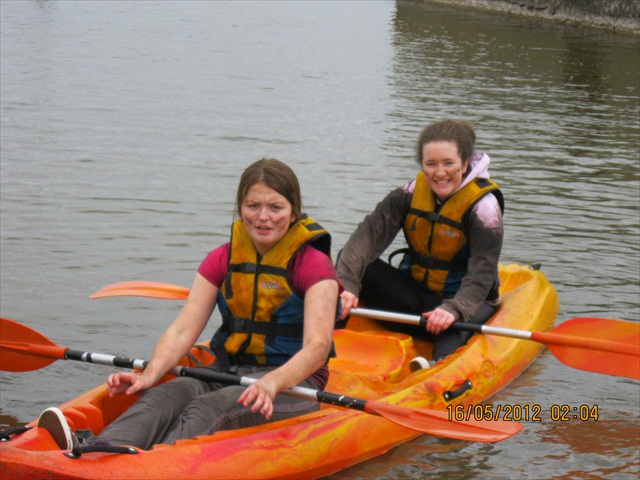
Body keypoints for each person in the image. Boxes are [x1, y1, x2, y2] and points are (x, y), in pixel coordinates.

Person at [38, 158, 342, 450]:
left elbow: (317, 347)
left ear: (293, 212)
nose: (263, 216)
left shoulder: (313, 265)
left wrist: (272, 383)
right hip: (228, 369)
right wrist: (150, 374)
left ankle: (147, 465)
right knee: (164, 396)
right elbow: (182, 330)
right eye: (253, 206)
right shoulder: (221, 258)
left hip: (294, 384)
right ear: (240, 208)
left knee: (208, 408)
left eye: (275, 207)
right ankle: (100, 448)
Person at [336, 119, 504, 369]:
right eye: (431, 164)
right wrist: (347, 285)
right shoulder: (408, 193)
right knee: (352, 263)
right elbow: (368, 236)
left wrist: (454, 309)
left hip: (466, 302)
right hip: (415, 296)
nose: (439, 172)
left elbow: (483, 272)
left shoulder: (485, 210)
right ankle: (325, 343)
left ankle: (438, 365)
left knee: (453, 329)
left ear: (464, 164)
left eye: (448, 163)